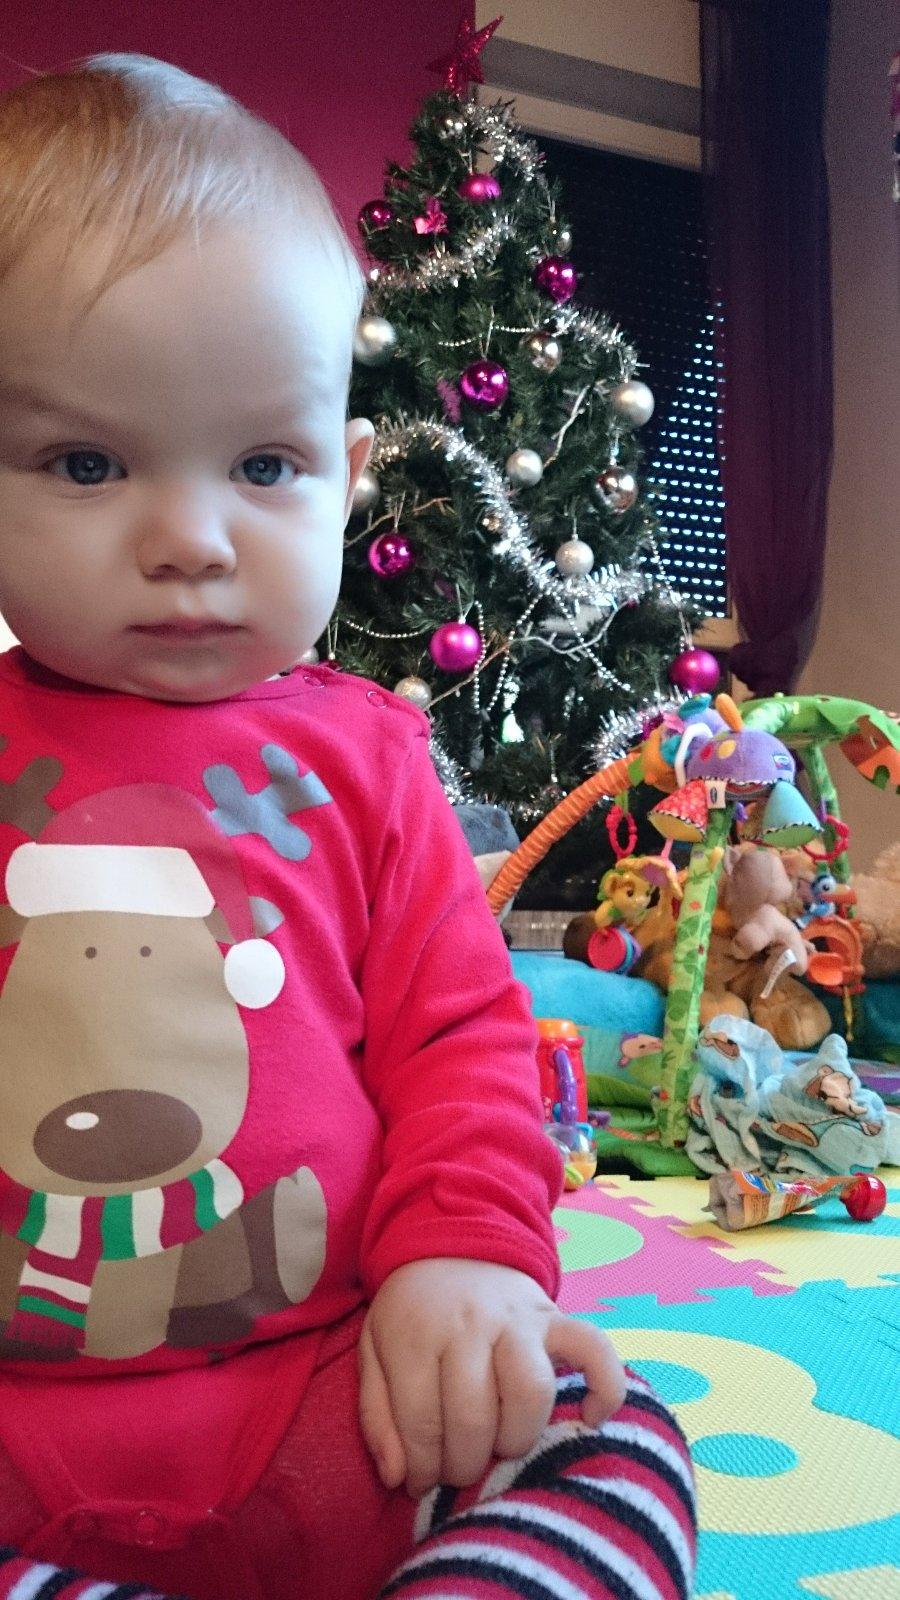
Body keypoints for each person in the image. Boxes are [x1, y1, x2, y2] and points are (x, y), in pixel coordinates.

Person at [0, 55, 696, 1600]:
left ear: (348, 473)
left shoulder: (370, 764)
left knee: (606, 1418)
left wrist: (466, 1264)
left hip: (332, 1399)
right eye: (86, 464)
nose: (191, 538)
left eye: (265, 466)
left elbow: (462, 1045)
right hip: (20, 1431)